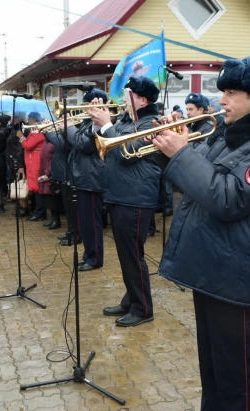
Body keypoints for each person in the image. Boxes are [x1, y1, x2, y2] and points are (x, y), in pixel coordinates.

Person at [154, 56, 250, 410]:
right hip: (211, 267)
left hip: (235, 274)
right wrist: (169, 148)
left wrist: (182, 154)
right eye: (223, 92)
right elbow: (196, 173)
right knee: (213, 369)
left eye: (232, 92)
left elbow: (228, 197)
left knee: (236, 379)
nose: (223, 100)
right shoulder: (229, 136)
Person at [87, 76, 161, 327]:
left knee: (133, 256)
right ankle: (131, 300)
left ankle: (142, 309)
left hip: (136, 198)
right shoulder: (130, 121)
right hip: (121, 194)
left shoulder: (153, 124)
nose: (123, 100)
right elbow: (103, 148)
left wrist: (108, 125)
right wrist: (99, 125)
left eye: (129, 95)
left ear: (142, 100)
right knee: (126, 254)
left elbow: (125, 153)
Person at [65, 89, 106, 271]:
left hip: (92, 178)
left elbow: (84, 145)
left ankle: (95, 258)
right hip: (84, 177)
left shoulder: (99, 124)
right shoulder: (88, 122)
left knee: (92, 222)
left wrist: (68, 127)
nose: (88, 107)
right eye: (88, 104)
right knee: (86, 221)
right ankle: (88, 254)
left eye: (91, 104)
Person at [21, 112, 47, 222]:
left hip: (35, 162)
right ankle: (38, 211)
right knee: (36, 189)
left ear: (33, 119)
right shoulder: (34, 130)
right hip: (33, 162)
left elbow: (28, 145)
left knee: (38, 188)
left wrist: (21, 138)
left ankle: (39, 213)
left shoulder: (37, 131)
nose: (28, 120)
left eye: (29, 118)